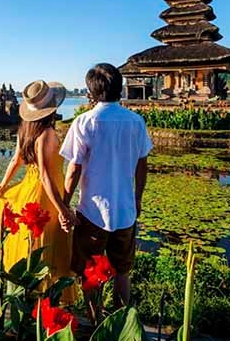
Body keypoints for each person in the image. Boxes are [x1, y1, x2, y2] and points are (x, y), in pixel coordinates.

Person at [59, 63, 153, 318]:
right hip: (125, 211)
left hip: (92, 212)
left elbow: (73, 169)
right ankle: (122, 322)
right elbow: (142, 165)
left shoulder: (84, 122)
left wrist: (64, 204)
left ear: (91, 92)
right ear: (120, 88)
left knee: (90, 269)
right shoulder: (136, 122)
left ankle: (94, 318)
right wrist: (137, 198)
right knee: (122, 271)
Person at [0, 79, 75, 302]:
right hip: (45, 194)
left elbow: (16, 160)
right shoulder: (48, 134)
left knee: (29, 241)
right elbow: (45, 174)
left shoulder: (24, 131)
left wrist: (4, 185)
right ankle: (44, 298)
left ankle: (25, 292)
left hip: (28, 190)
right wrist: (62, 208)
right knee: (47, 243)